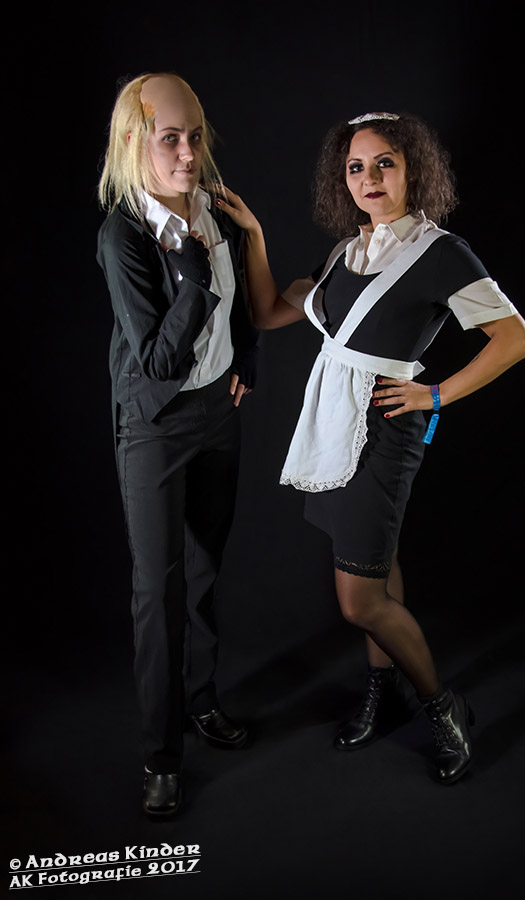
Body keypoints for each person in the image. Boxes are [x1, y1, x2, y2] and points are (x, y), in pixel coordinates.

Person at [216, 111, 525, 784]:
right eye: (356, 167)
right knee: (378, 563)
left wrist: (436, 394)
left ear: (414, 169)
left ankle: (444, 707)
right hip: (335, 422)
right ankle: (383, 689)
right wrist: (255, 236)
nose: (369, 178)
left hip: (384, 429)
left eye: (385, 162)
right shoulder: (345, 254)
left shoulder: (441, 252)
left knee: (359, 600)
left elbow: (516, 339)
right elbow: (271, 311)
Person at [96, 73, 258, 816]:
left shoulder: (213, 208)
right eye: (171, 139)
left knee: (203, 571)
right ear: (136, 143)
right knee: (156, 591)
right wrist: (191, 279)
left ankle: (201, 702)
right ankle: (161, 758)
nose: (189, 153)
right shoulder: (124, 234)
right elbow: (159, 361)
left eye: (195, 136)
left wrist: (246, 358)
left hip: (218, 416)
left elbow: (241, 301)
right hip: (155, 426)